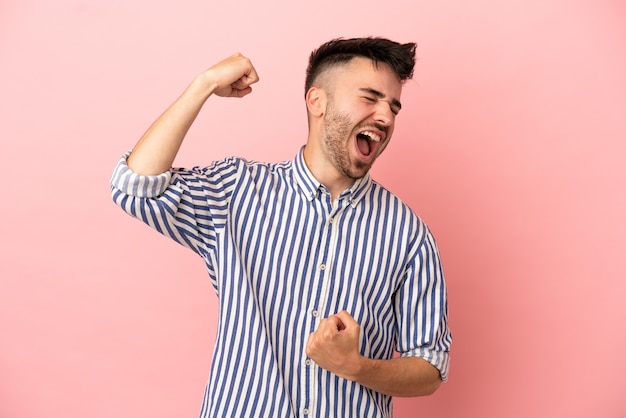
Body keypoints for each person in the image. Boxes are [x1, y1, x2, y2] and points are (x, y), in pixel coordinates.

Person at [110, 37, 452, 418]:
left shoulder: (408, 235)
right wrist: (203, 85)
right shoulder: (237, 191)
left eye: (393, 107)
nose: (386, 117)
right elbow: (135, 187)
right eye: (370, 98)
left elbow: (431, 366)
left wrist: (357, 367)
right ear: (316, 101)